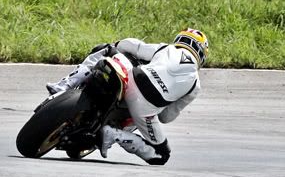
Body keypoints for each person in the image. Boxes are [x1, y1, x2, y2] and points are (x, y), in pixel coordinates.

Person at [46, 28, 209, 165]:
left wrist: (117, 45)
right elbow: (166, 117)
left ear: (179, 39)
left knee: (106, 49)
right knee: (161, 155)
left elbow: (134, 46)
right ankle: (113, 134)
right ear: (201, 55)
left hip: (132, 79)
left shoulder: (167, 48)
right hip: (145, 110)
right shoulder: (195, 86)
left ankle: (63, 85)